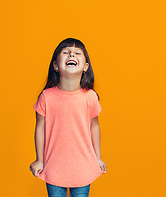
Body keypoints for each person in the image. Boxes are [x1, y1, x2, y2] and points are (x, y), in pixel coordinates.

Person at [29, 38, 107, 197]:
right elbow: (40, 128)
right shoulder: (46, 97)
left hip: (83, 166)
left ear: (85, 67)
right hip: (54, 166)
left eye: (78, 53)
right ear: (56, 65)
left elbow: (95, 126)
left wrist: (97, 158)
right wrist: (39, 159)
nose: (72, 54)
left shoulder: (90, 97)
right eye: (65, 52)